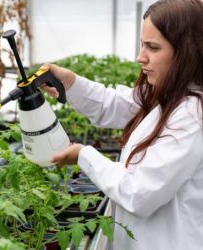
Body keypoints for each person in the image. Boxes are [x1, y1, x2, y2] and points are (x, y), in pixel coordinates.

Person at [41, 0, 203, 249]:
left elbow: (138, 193)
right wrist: (70, 81)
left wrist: (84, 155)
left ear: (186, 52)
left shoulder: (192, 116)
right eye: (142, 44)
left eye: (153, 47)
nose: (141, 57)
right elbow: (114, 104)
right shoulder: (169, 93)